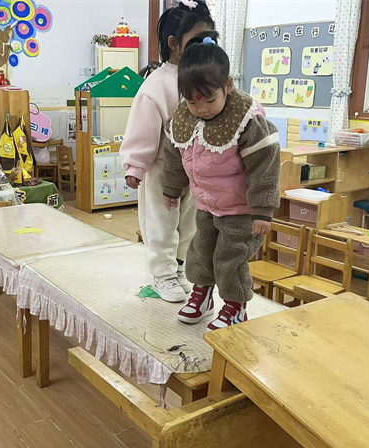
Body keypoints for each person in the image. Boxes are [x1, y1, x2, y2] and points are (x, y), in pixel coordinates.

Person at [163, 35, 281, 330]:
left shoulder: (246, 121)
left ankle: (235, 306)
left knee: (229, 259)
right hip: (207, 205)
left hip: (241, 211)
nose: (200, 109)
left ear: (228, 86)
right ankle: (202, 296)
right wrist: (171, 188)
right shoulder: (185, 116)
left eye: (209, 100)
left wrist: (264, 210)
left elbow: (265, 164)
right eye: (192, 102)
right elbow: (175, 154)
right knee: (200, 251)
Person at [119, 0, 214, 303]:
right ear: (174, 44)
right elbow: (142, 128)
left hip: (193, 170)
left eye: (209, 39)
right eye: (197, 40)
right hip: (161, 169)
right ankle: (162, 275)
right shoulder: (156, 85)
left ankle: (181, 268)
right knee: (161, 224)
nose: (205, 45)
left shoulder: (204, 75)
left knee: (189, 224)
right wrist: (134, 164)